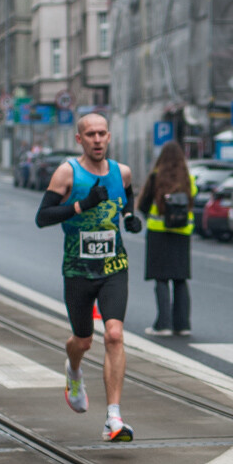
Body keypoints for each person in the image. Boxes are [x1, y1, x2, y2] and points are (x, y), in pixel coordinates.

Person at [35, 113, 142, 442]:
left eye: (102, 134)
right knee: (82, 340)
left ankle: (113, 417)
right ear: (79, 139)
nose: (97, 139)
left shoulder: (121, 172)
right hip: (77, 270)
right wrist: (80, 206)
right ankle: (74, 370)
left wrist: (130, 217)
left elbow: (127, 199)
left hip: (113, 267)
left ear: (109, 137)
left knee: (113, 334)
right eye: (90, 134)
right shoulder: (68, 172)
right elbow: (43, 217)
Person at [136, 140, 196, 336]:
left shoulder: (156, 176)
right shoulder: (189, 178)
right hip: (182, 234)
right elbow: (193, 200)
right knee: (180, 278)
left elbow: (143, 204)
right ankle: (183, 324)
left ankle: (163, 324)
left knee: (161, 279)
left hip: (158, 232)